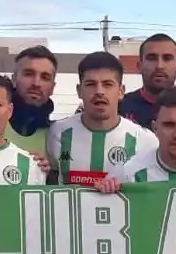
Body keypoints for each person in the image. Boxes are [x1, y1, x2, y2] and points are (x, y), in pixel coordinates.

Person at [49, 51, 156, 186]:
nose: (99, 91)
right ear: (79, 90)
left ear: (121, 91)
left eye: (107, 84)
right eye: (91, 84)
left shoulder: (145, 141)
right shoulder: (56, 133)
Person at [119, 34, 176, 128]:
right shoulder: (121, 108)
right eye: (152, 58)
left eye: (167, 58)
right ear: (139, 66)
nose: (159, 66)